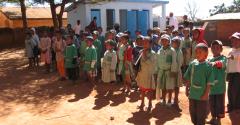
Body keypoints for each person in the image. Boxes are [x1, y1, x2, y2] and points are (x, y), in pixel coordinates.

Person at [184, 43, 215, 125]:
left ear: (206, 54)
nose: (197, 54)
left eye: (200, 52)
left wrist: (206, 94)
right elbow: (188, 77)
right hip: (192, 94)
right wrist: (187, 88)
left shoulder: (208, 66)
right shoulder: (192, 64)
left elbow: (209, 82)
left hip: (202, 95)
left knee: (201, 115)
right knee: (193, 113)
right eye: (196, 52)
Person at [206, 40, 227, 125]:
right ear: (211, 49)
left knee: (219, 104)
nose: (215, 49)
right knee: (212, 103)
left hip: (220, 87)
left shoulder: (223, 58)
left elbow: (221, 64)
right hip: (211, 87)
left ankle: (218, 120)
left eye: (217, 48)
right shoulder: (209, 59)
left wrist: (215, 63)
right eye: (213, 47)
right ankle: (213, 118)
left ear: (221, 49)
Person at [136, 36, 157, 112]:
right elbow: (139, 62)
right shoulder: (141, 51)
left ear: (150, 44)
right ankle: (142, 103)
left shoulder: (153, 53)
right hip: (142, 73)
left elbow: (148, 62)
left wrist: (144, 53)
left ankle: (150, 104)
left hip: (149, 74)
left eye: (146, 42)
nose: (144, 44)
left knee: (150, 90)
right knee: (142, 90)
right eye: (143, 42)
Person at [156, 34, 178, 106]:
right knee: (163, 86)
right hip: (161, 71)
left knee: (170, 87)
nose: (164, 41)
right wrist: (157, 71)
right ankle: (164, 100)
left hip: (169, 71)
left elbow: (174, 61)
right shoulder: (159, 50)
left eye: (166, 40)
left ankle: (169, 100)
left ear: (169, 41)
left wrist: (173, 71)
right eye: (162, 40)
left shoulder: (172, 51)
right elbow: (157, 61)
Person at [226, 32, 240, 113]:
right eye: (232, 40)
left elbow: (235, 56)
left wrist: (228, 57)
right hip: (231, 74)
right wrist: (227, 73)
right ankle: (231, 105)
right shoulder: (231, 50)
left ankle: (235, 107)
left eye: (236, 40)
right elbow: (228, 63)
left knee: (235, 90)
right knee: (230, 90)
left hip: (238, 74)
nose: (234, 42)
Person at [171, 37, 183, 111]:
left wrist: (175, 71)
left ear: (178, 44)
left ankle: (176, 101)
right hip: (172, 71)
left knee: (176, 86)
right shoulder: (173, 50)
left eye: (175, 42)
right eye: (172, 42)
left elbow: (179, 63)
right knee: (173, 86)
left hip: (177, 72)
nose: (173, 43)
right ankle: (174, 101)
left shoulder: (179, 51)